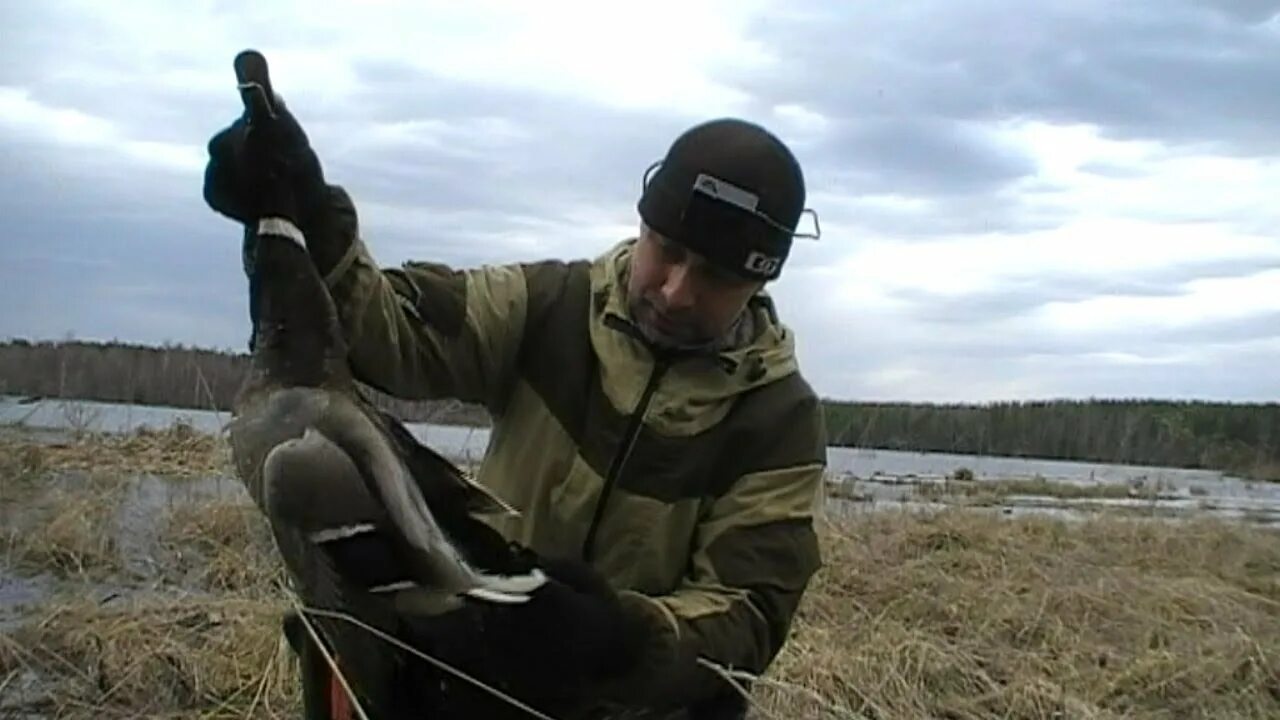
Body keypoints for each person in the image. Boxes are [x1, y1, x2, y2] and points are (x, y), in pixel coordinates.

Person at [203, 83, 828, 720]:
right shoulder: (550, 307)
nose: (674, 292)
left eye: (718, 277)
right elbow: (392, 332)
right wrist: (305, 214)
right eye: (667, 250)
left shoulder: (779, 421)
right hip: (475, 680)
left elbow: (748, 613)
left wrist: (620, 639)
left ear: (759, 281)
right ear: (643, 224)